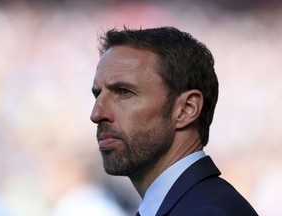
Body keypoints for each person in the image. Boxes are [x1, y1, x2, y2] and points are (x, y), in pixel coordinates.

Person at [90, 26, 258, 216]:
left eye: (124, 92)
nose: (96, 114)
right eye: (97, 94)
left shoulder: (207, 212)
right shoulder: (186, 205)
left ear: (186, 109)